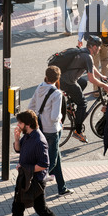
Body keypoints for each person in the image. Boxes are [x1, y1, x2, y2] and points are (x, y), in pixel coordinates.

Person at [6, 110, 70, 216]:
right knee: (17, 209)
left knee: (42, 210)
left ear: (28, 124)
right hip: (24, 179)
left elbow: (44, 164)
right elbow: (18, 149)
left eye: (20, 123)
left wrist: (25, 168)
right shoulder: (28, 135)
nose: (18, 125)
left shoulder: (39, 140)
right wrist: (16, 138)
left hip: (35, 182)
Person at [28, 66, 74, 196]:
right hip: (53, 131)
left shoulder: (39, 87)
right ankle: (36, 182)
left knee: (57, 158)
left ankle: (62, 188)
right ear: (58, 78)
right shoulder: (57, 93)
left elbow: (31, 106)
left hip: (41, 128)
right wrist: (60, 120)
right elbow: (55, 117)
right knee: (52, 160)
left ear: (46, 76)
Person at [60, 35, 108, 143]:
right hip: (68, 82)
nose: (99, 48)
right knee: (83, 103)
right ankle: (78, 131)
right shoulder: (87, 56)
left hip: (63, 79)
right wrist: (105, 86)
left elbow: (91, 66)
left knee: (83, 82)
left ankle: (70, 104)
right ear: (92, 47)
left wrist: (101, 76)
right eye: (98, 47)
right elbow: (91, 79)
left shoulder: (84, 51)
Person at [78, 0, 108, 92]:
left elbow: (83, 24)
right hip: (105, 39)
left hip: (92, 41)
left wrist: (80, 38)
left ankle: (96, 90)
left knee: (94, 65)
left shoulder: (88, 8)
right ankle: (105, 87)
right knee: (105, 61)